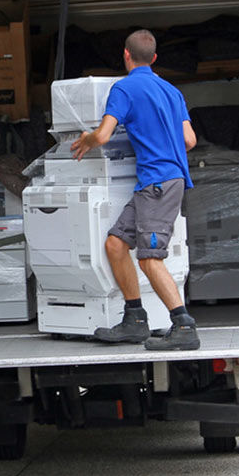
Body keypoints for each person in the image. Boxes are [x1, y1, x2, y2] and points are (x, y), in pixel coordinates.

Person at [70, 29, 199, 351]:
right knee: (115, 244)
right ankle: (135, 320)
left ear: (125, 55)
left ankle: (184, 325)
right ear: (154, 58)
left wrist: (86, 139)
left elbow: (102, 136)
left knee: (150, 259)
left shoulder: (124, 88)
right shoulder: (171, 91)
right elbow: (189, 140)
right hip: (157, 183)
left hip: (157, 185)